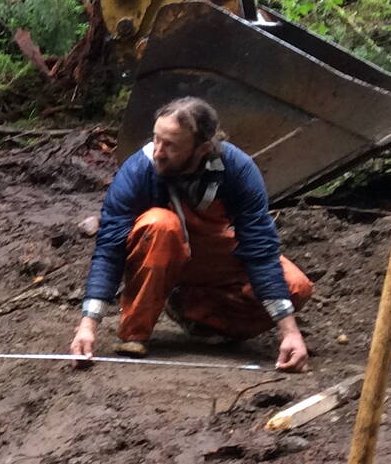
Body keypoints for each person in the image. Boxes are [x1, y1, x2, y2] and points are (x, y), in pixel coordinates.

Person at [70, 96, 313, 372]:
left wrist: (289, 332)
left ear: (203, 148)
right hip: (159, 250)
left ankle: (197, 314)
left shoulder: (238, 171)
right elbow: (110, 248)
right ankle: (135, 331)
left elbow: (260, 251)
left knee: (296, 287)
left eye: (170, 145)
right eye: (156, 139)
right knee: (160, 224)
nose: (158, 151)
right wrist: (88, 326)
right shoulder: (138, 168)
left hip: (208, 252)